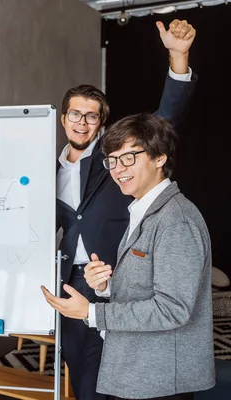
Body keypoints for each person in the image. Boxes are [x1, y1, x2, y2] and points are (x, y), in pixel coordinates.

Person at [53, 19, 197, 400]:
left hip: (119, 278)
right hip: (73, 280)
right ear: (63, 117)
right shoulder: (44, 170)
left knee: (108, 376)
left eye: (91, 116)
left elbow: (165, 120)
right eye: (74, 114)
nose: (82, 122)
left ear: (102, 122)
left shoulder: (114, 158)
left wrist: (178, 56)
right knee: (78, 367)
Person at [42, 112, 215, 400]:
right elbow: (149, 284)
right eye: (112, 160)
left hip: (159, 377)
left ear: (159, 157)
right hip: (137, 370)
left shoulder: (176, 220)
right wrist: (106, 286)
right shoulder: (141, 210)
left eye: (129, 157)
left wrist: (91, 311)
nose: (117, 168)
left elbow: (173, 309)